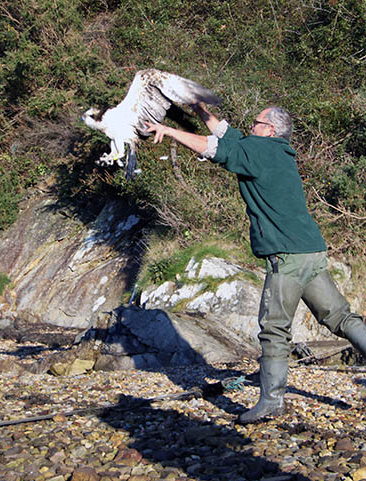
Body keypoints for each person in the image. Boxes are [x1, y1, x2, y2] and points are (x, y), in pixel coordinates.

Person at [146, 104, 366, 423]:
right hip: (312, 251)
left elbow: (213, 148)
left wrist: (168, 132)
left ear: (270, 130)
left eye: (256, 122)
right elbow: (224, 133)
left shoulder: (258, 151)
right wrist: (198, 107)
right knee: (341, 318)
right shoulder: (276, 151)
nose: (251, 125)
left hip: (287, 257)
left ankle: (272, 402)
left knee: (274, 330)